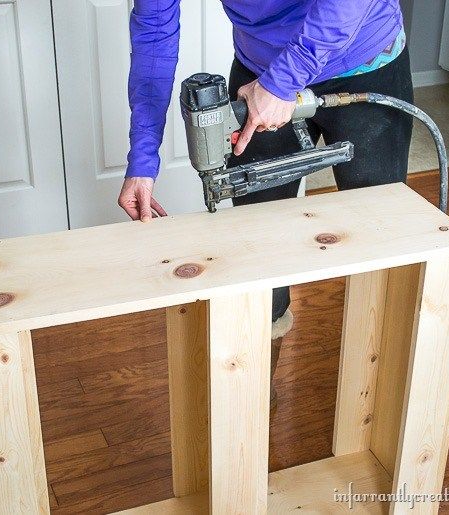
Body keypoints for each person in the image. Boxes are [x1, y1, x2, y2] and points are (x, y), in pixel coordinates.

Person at [118, 0, 413, 409]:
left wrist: (282, 82)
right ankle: (254, 403)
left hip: (363, 60)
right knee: (258, 252)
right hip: (259, 74)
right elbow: (154, 33)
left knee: (384, 248)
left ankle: (382, 403)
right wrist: (143, 158)